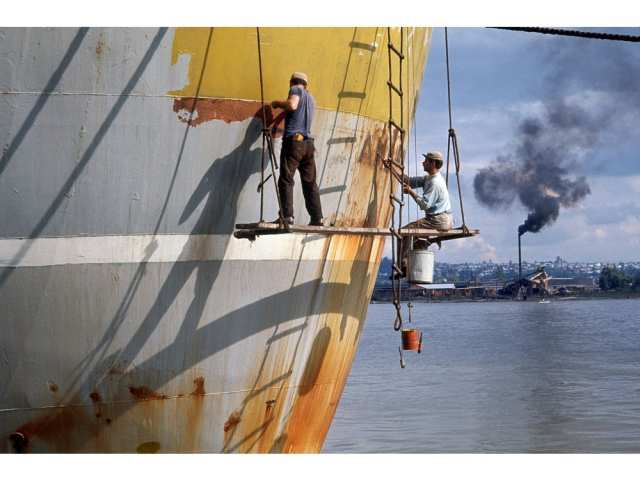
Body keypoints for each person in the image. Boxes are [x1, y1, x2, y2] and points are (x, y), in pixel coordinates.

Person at [270, 72, 323, 226]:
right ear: (306, 85)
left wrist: (277, 103)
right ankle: (317, 218)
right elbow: (299, 112)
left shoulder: (295, 90)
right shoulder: (311, 99)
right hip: (308, 145)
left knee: (286, 179)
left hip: (294, 143)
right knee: (310, 183)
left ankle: (287, 216)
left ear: (291, 82)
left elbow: (292, 105)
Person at [388, 151, 452, 276]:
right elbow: (409, 181)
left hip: (438, 220)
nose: (423, 163)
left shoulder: (434, 183)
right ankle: (408, 266)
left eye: (426, 161)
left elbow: (424, 205)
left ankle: (403, 266)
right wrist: (392, 168)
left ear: (433, 163)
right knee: (416, 241)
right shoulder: (429, 178)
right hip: (441, 218)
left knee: (404, 232)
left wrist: (411, 192)